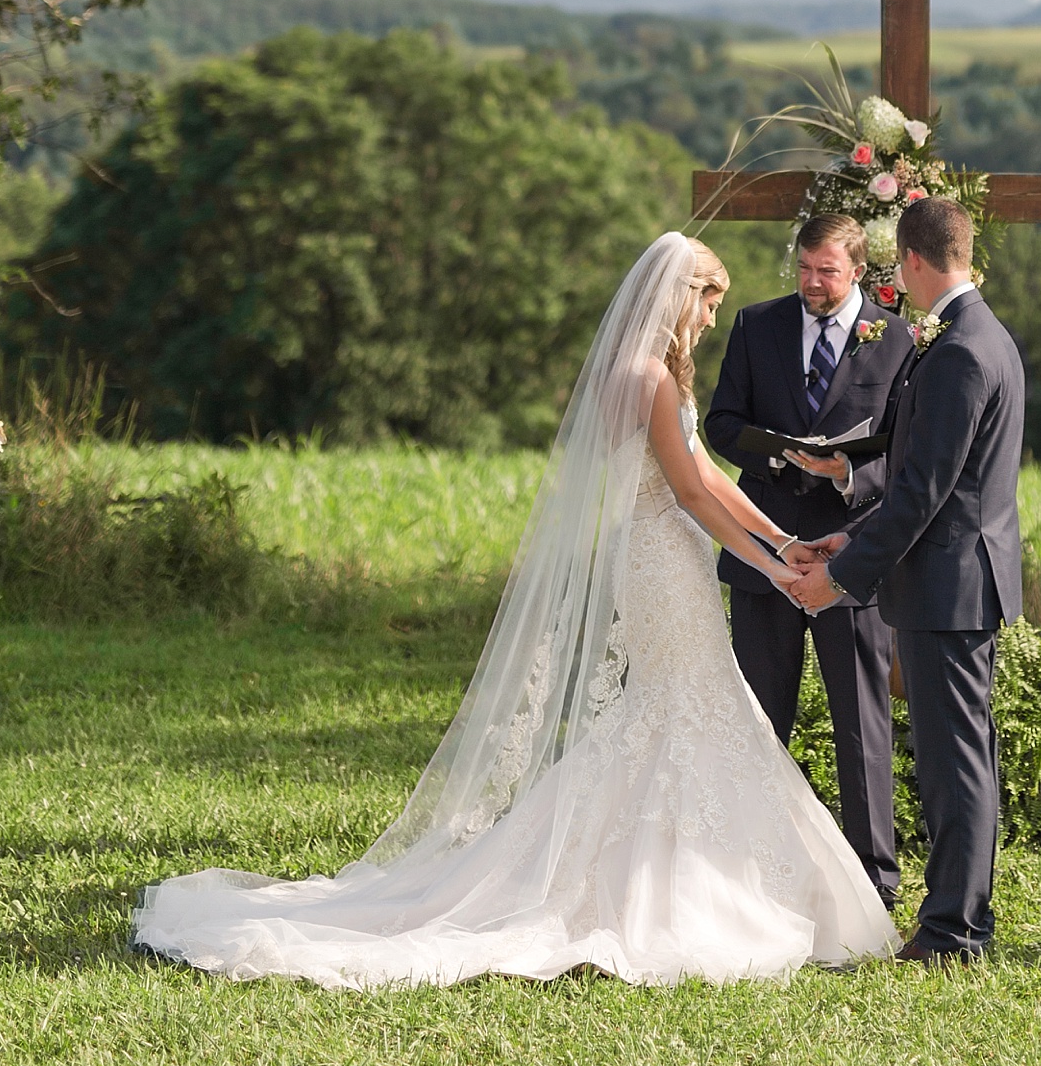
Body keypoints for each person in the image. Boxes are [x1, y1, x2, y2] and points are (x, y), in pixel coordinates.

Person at [133, 234, 898, 985]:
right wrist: (772, 562)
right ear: (678, 295)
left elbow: (710, 477)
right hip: (663, 559)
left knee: (676, 709)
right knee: (681, 706)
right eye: (707, 302)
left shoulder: (649, 373)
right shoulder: (648, 380)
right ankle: (653, 882)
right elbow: (691, 492)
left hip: (667, 555)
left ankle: (657, 864)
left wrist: (785, 538)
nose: (709, 318)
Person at [787, 196, 1023, 969]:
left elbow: (924, 492)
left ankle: (954, 930)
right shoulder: (980, 334)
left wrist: (840, 580)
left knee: (955, 762)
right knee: (961, 755)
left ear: (912, 262)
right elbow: (926, 484)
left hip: (948, 586)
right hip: (955, 581)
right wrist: (845, 536)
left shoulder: (957, 350)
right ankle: (959, 920)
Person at [704, 213, 915, 907]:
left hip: (852, 553)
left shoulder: (897, 338)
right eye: (803, 267)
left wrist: (846, 475)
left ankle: (873, 881)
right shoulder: (755, 325)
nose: (811, 282)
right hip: (765, 552)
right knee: (762, 720)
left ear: (858, 269)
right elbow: (721, 422)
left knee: (861, 724)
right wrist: (777, 451)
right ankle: (753, 874)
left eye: (825, 270)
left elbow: (907, 454)